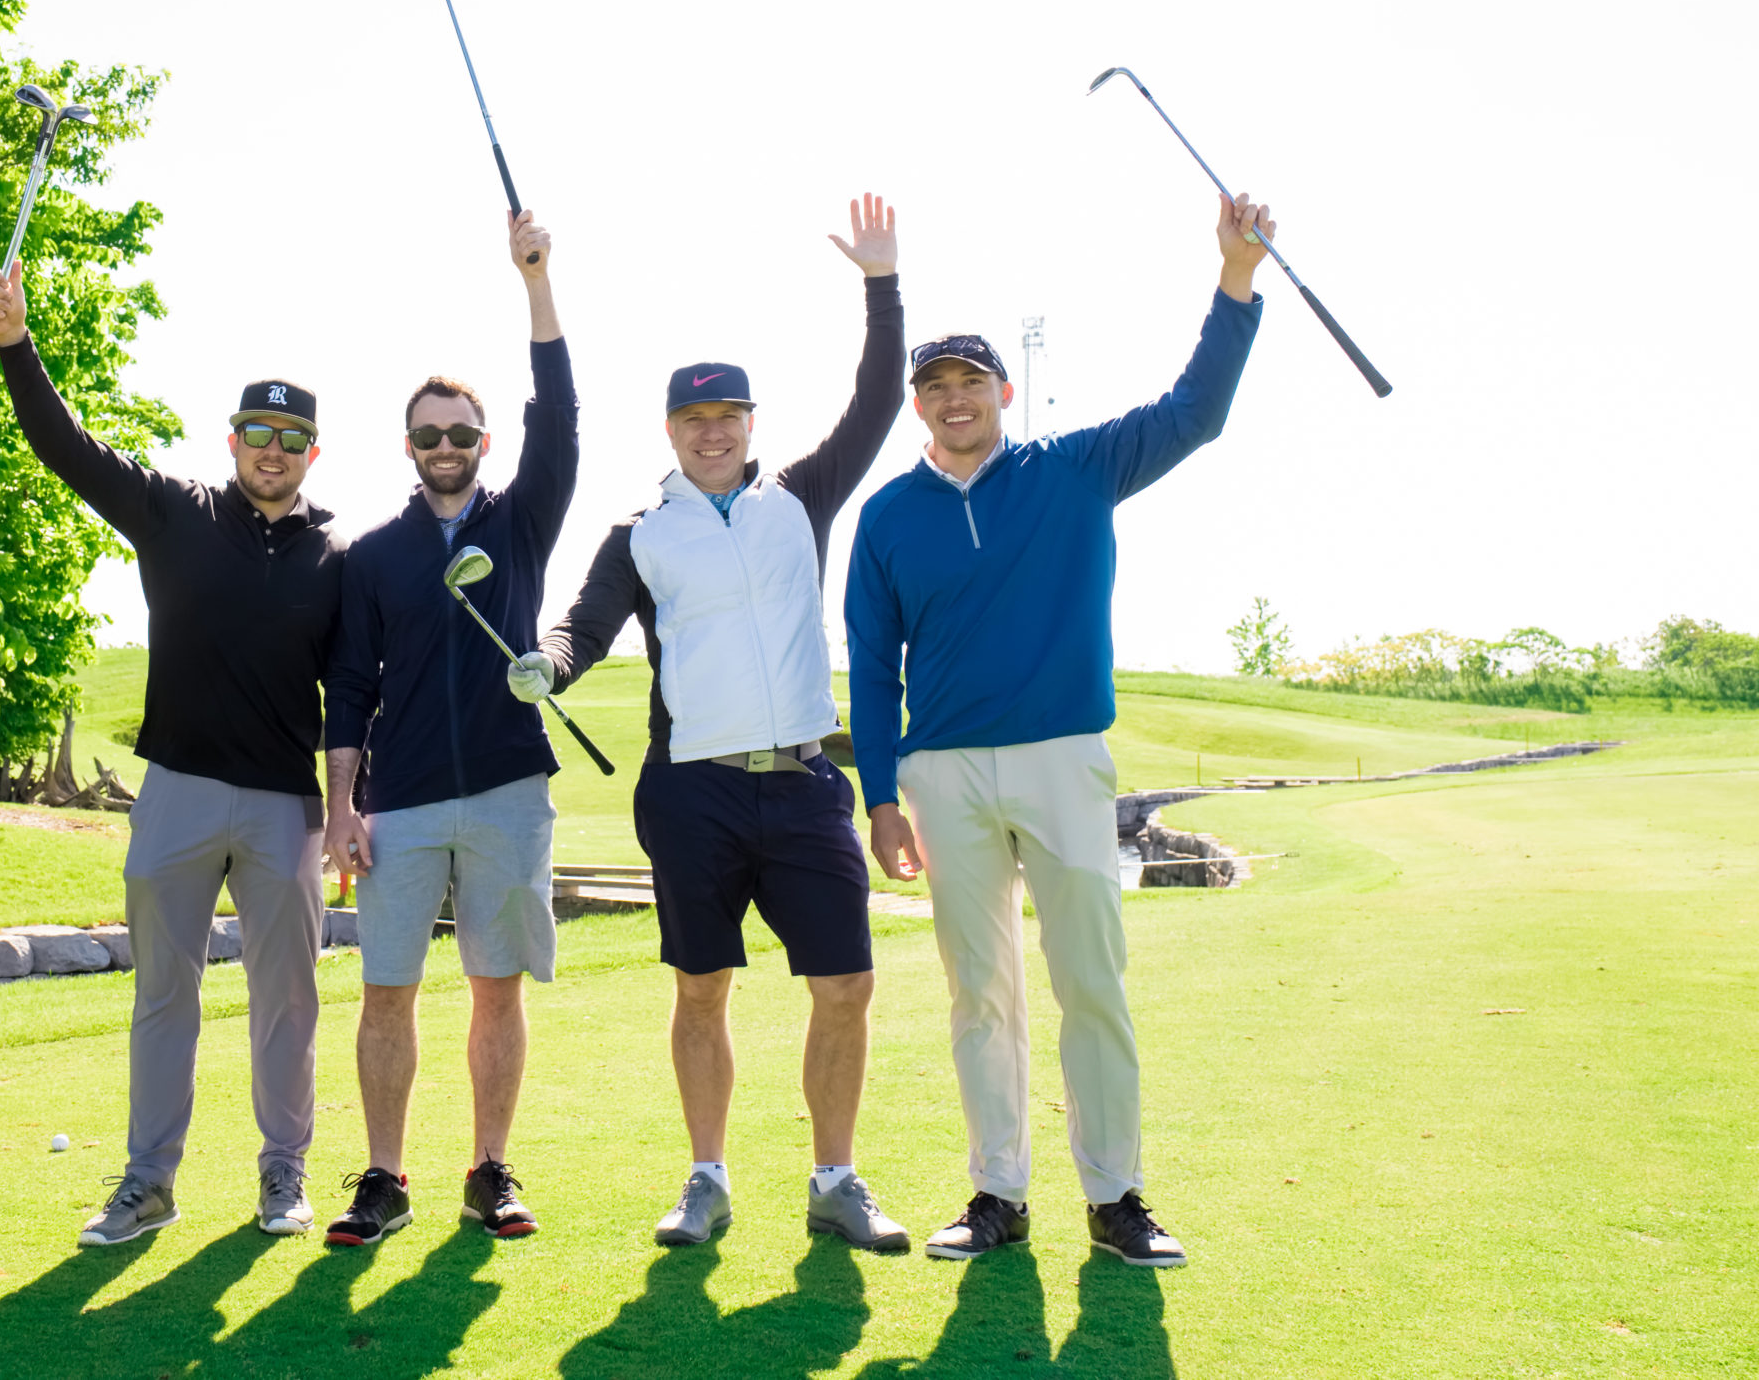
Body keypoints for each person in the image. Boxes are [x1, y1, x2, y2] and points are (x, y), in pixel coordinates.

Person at [843, 191, 1276, 1270]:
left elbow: (1196, 412)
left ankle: (1116, 1195)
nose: (953, 401)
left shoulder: (1076, 469)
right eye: (933, 389)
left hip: (1061, 758)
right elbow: (870, 662)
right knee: (978, 991)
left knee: (1090, 977)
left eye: (969, 384)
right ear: (918, 407)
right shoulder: (888, 517)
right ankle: (998, 1193)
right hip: (942, 775)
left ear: (1002, 391)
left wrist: (1234, 279)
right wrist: (881, 795)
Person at [519, 193, 907, 1251]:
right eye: (694, 421)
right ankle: (705, 1179)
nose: (712, 433)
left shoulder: (801, 497)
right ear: (670, 431)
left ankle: (835, 1178)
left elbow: (877, 403)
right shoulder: (639, 531)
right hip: (690, 790)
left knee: (846, 983)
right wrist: (545, 667)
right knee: (701, 986)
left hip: (800, 782)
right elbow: (582, 628)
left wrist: (881, 282)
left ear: (749, 423)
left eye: (727, 417)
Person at [0, 257, 345, 1247]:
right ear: (233, 441)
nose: (273, 450)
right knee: (162, 997)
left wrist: (357, 804)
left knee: (286, 1003)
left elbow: (356, 693)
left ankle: (283, 1174)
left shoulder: (334, 556)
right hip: (176, 790)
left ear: (312, 451)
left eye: (292, 438)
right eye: (258, 434)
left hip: (282, 807)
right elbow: (68, 448)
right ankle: (148, 1183)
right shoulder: (174, 507)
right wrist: (18, 343)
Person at [319, 211, 578, 1247]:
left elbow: (560, 417)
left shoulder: (520, 521)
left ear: (483, 444)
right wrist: (341, 805)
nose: (443, 447)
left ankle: (489, 1170)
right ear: (407, 446)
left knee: (495, 989)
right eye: (426, 434)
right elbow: (348, 686)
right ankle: (384, 1178)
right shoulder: (372, 554)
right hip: (404, 803)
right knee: (387, 992)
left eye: (459, 434)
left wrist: (536, 283)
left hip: (511, 790)